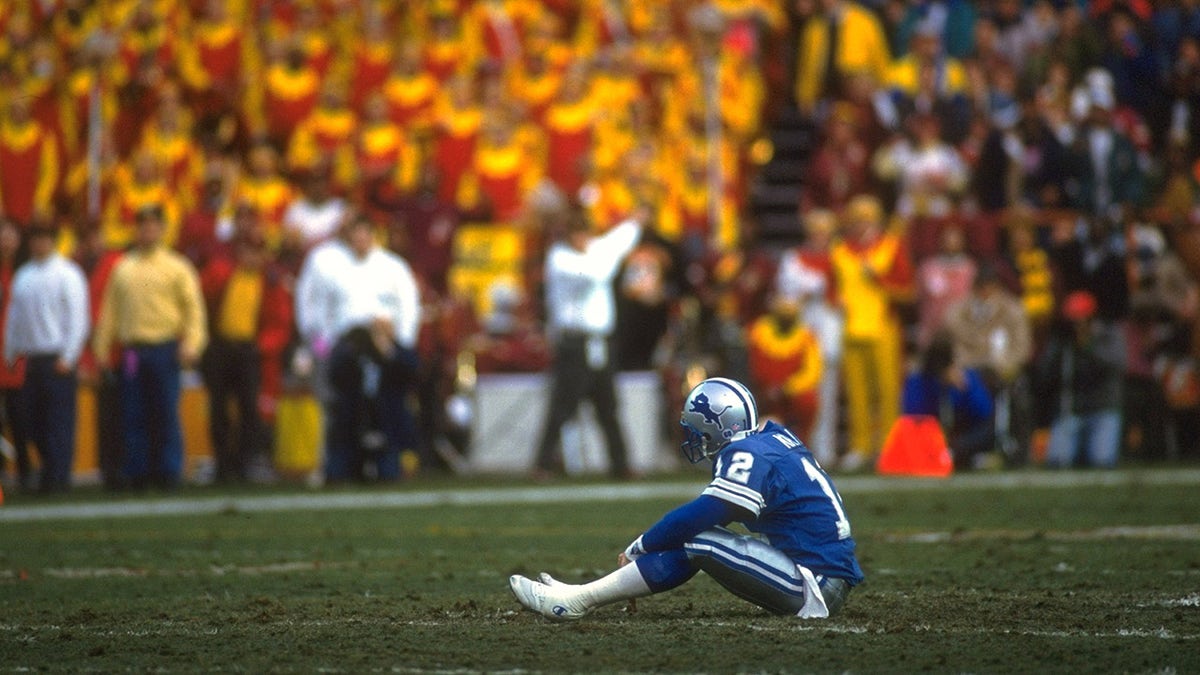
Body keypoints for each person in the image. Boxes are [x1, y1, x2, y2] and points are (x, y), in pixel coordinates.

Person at [510, 377, 863, 620]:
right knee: (695, 538)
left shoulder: (747, 454)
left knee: (699, 539)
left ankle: (579, 600)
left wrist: (643, 544)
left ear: (721, 425)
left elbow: (706, 512)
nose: (697, 438)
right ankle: (582, 594)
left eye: (700, 429)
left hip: (816, 584)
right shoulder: (770, 439)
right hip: (815, 570)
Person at [294, 213, 421, 483]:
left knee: (388, 407)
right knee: (343, 409)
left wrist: (400, 345)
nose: (361, 240)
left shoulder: (392, 267)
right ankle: (340, 467)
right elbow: (318, 312)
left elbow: (409, 309)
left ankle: (389, 464)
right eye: (356, 234)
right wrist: (321, 347)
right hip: (347, 346)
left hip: (385, 345)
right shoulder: (333, 267)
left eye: (366, 233)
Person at [92, 205, 208, 490]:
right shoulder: (124, 268)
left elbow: (194, 311)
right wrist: (102, 350)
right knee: (134, 413)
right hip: (133, 350)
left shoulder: (176, 267)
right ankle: (138, 471)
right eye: (143, 225)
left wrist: (192, 344)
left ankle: (168, 472)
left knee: (165, 411)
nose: (148, 231)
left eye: (154, 225)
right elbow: (110, 313)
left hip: (165, 348)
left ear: (163, 229)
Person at [531, 206, 645, 480]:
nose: (583, 239)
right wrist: (614, 256)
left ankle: (621, 464)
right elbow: (594, 274)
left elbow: (618, 240)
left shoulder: (597, 250)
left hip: (601, 344)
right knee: (563, 406)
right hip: (574, 343)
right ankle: (543, 464)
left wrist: (635, 222)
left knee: (609, 407)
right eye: (577, 233)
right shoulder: (560, 259)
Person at [2, 225, 89, 492]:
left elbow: (78, 317)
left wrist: (69, 355)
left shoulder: (67, 273)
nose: (39, 245)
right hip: (31, 358)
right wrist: (10, 352)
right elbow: (15, 318)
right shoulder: (24, 276)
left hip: (56, 357)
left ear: (53, 241)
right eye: (35, 240)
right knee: (32, 420)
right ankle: (48, 469)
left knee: (58, 421)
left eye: (44, 240)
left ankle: (58, 477)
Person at [1035, 290, 1126, 469]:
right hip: (1071, 409)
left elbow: (1116, 365)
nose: (1076, 325)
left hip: (1102, 408)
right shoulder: (1062, 340)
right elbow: (1045, 372)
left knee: (1102, 461)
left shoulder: (1108, 334)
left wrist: (1088, 347)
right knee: (1058, 461)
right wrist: (1060, 348)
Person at [901, 333, 997, 470]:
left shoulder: (965, 377)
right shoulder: (919, 382)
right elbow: (913, 419)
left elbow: (985, 412)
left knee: (988, 430)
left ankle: (953, 454)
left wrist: (966, 389)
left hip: (962, 434)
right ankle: (949, 455)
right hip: (932, 435)